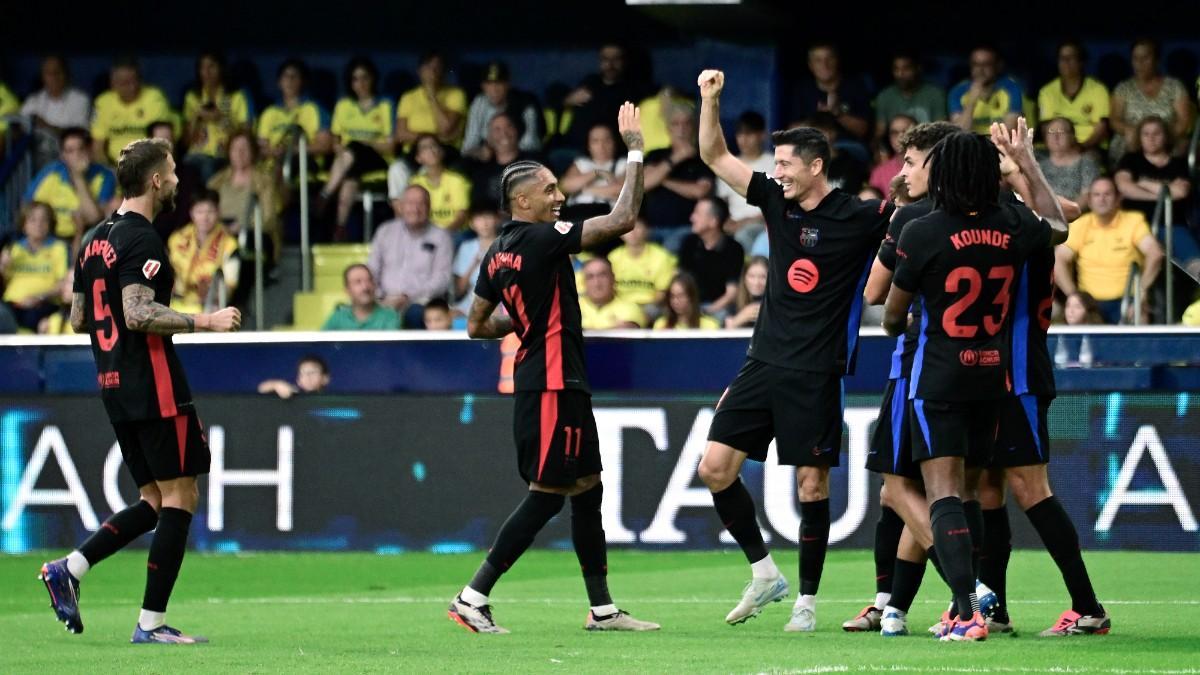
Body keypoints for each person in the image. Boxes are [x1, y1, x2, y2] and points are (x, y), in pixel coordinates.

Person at [695, 69, 893, 632]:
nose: (775, 171)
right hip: (762, 362)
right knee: (714, 469)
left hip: (816, 371)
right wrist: (710, 100)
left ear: (815, 166)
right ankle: (764, 573)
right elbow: (714, 154)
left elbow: (917, 225)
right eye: (775, 163)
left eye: (784, 163)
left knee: (812, 485)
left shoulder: (859, 216)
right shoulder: (774, 200)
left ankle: (807, 600)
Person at [449, 102, 658, 634]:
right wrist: (635, 152)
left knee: (587, 486)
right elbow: (623, 220)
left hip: (557, 379)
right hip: (550, 382)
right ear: (523, 201)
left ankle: (603, 610)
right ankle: (472, 596)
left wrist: (524, 319)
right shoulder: (542, 238)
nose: (559, 196)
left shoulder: (497, 252)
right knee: (547, 493)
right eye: (549, 190)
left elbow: (476, 325)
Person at [39, 136, 241, 643]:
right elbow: (136, 312)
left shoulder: (92, 239)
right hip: (154, 384)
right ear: (155, 181)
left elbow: (79, 317)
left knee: (153, 498)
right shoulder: (143, 238)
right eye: (171, 172)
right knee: (181, 495)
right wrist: (206, 320)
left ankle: (71, 568)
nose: (176, 180)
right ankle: (151, 623)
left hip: (113, 383)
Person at [881, 119, 1069, 641]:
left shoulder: (921, 230)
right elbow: (1058, 226)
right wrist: (1026, 163)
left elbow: (891, 317)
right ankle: (976, 606)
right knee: (975, 491)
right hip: (992, 377)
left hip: (939, 376)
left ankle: (965, 613)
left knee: (943, 493)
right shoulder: (1014, 225)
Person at [974, 120, 1112, 638]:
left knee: (1031, 488)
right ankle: (994, 609)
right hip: (986, 372)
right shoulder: (1001, 215)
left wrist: (1022, 164)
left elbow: (1065, 214)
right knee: (988, 488)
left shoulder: (1020, 218)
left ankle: (1088, 607)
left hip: (1019, 370)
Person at [850, 120, 959, 636]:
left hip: (916, 364)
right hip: (979, 366)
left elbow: (875, 293)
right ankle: (891, 606)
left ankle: (969, 592)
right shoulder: (990, 212)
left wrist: (897, 215)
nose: (902, 170)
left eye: (911, 162)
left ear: (936, 164)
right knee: (932, 491)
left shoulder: (914, 217)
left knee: (897, 490)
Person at [1055, 177, 1163, 324]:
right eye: (1097, 195)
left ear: (1118, 198)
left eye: (1107, 194)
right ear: (1089, 201)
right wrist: (1073, 296)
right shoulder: (1081, 224)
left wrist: (1141, 292)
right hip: (1091, 304)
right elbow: (1059, 258)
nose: (1102, 199)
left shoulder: (1133, 221)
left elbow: (1154, 253)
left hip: (1128, 299)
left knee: (1140, 314)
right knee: (1075, 313)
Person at [320, 57, 394, 239]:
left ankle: (325, 194)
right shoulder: (343, 104)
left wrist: (365, 144)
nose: (360, 83)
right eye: (355, 79)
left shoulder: (385, 104)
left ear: (373, 79)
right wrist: (343, 151)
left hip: (378, 157)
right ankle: (340, 227)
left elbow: (390, 146)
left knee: (355, 146)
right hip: (349, 160)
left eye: (365, 78)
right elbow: (335, 141)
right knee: (350, 177)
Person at [366, 185, 454, 328]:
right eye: (410, 203)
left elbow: (441, 279)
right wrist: (380, 297)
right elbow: (372, 270)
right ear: (401, 206)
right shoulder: (385, 231)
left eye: (421, 203)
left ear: (429, 207)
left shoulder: (441, 236)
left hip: (421, 302)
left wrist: (407, 297)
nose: (415, 209)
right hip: (384, 300)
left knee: (415, 313)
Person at [24, 127, 118, 250]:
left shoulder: (104, 176)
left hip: (86, 237)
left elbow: (94, 218)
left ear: (89, 150)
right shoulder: (50, 172)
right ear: (63, 155)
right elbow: (28, 207)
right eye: (70, 151)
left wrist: (78, 177)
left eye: (81, 149)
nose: (76, 155)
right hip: (49, 236)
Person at [642, 103, 714, 251]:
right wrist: (676, 158)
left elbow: (700, 191)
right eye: (676, 124)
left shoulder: (702, 158)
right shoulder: (655, 155)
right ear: (668, 128)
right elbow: (643, 184)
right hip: (651, 228)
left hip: (687, 228)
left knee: (671, 247)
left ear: (693, 127)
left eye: (686, 123)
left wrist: (661, 179)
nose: (681, 129)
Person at [1109, 38, 1193, 162]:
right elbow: (1114, 120)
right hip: (1132, 140)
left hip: (1167, 139)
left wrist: (1161, 138)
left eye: (1145, 58)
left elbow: (1184, 121)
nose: (1140, 63)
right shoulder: (1123, 88)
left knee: (1182, 145)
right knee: (1127, 143)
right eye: (1135, 58)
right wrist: (1132, 132)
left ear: (1157, 60)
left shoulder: (1175, 86)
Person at [1114, 116, 1194, 241]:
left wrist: (1144, 183)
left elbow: (1181, 192)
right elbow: (1124, 187)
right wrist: (1164, 196)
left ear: (1166, 137)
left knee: (1194, 255)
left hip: (1172, 224)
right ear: (1140, 138)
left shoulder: (1179, 163)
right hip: (1134, 224)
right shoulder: (1130, 159)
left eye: (1157, 133)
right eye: (1146, 134)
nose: (1151, 138)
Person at [207, 130, 282, 261]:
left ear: (253, 152)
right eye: (235, 149)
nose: (239, 153)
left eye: (244, 148)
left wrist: (242, 226)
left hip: (253, 236)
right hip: (220, 235)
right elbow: (206, 210)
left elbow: (269, 218)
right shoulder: (216, 182)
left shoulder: (265, 181)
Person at [182, 52, 254, 181]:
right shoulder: (193, 96)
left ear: (221, 68)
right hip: (196, 154)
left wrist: (220, 119)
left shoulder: (235, 96)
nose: (206, 72)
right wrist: (196, 118)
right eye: (202, 67)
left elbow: (246, 135)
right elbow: (186, 141)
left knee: (209, 167)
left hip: (223, 154)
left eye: (211, 66)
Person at [91, 58, 175, 166]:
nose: (130, 87)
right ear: (113, 83)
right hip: (114, 167)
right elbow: (97, 148)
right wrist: (108, 171)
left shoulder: (155, 98)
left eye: (133, 80)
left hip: (148, 167)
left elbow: (164, 145)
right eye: (123, 82)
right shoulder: (103, 102)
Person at [166, 190, 239, 315]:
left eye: (210, 211)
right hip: (175, 304)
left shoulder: (229, 244)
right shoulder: (177, 239)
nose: (205, 217)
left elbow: (230, 286)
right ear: (191, 213)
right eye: (199, 212)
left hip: (210, 307)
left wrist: (212, 293)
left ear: (218, 212)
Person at [1, 202, 69, 333]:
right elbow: (4, 283)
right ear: (24, 225)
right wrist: (2, 267)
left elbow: (63, 283)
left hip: (43, 306)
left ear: (50, 224)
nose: (39, 224)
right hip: (11, 306)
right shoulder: (13, 248)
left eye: (44, 220)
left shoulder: (58, 248)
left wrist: (38, 297)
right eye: (32, 219)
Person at [715, 111, 774, 252]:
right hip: (733, 225)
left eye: (749, 134)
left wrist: (745, 222)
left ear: (762, 135)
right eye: (740, 134)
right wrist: (724, 221)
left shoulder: (774, 164)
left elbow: (776, 206)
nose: (743, 139)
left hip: (762, 224)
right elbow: (722, 204)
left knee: (744, 235)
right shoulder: (728, 166)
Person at [256, 59, 333, 165]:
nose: (290, 80)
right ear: (279, 82)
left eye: (294, 76)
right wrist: (276, 152)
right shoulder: (269, 113)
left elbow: (325, 145)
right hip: (272, 170)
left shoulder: (315, 109)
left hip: (306, 169)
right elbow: (261, 148)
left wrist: (294, 150)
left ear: (303, 81)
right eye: (286, 76)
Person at [1036, 41, 1110, 153]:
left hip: (1089, 148)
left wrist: (1080, 149)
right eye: (1062, 58)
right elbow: (1046, 128)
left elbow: (1101, 129)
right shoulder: (1047, 92)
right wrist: (1060, 149)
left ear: (1081, 62)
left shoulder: (1098, 90)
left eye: (1071, 58)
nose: (1066, 62)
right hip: (1057, 149)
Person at [678, 196, 743, 320]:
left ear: (713, 221)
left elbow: (731, 293)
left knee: (723, 316)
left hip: (718, 308)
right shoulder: (689, 243)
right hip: (689, 306)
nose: (692, 218)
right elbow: (681, 281)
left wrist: (707, 311)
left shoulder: (734, 249)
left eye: (697, 213)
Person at [790, 42, 871, 141]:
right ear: (810, 65)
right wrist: (819, 119)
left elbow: (863, 131)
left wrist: (837, 113)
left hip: (847, 145)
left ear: (837, 61)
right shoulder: (802, 89)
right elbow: (792, 131)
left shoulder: (855, 86)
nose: (825, 65)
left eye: (829, 58)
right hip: (812, 144)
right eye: (818, 60)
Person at [21, 55, 92, 165]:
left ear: (66, 74)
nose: (53, 77)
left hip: (70, 161)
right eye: (48, 73)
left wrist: (47, 126)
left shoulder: (80, 100)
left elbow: (80, 135)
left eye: (57, 72)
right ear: (43, 76)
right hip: (36, 161)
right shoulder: (33, 101)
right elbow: (20, 128)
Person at [462, 61, 542, 158]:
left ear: (508, 84)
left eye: (499, 83)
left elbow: (530, 146)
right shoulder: (479, 103)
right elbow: (467, 147)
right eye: (489, 84)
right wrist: (481, 153)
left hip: (521, 159)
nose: (494, 89)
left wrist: (496, 148)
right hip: (490, 159)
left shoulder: (525, 105)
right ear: (483, 86)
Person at [394, 51, 466, 151]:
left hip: (444, 151)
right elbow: (400, 135)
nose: (432, 72)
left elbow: (445, 129)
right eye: (428, 67)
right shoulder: (408, 97)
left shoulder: (456, 94)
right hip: (414, 152)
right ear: (419, 71)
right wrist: (436, 138)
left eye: (437, 67)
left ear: (443, 71)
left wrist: (432, 97)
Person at [607, 216, 675, 321]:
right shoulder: (613, 257)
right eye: (628, 228)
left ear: (647, 230)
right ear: (621, 233)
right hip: (621, 305)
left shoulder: (661, 256)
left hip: (651, 306)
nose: (632, 232)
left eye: (637, 227)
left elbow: (662, 292)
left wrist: (638, 313)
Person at [948, 45, 1024, 135]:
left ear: (998, 66)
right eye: (976, 64)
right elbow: (959, 133)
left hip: (998, 143)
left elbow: (1009, 131)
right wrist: (971, 102)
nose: (980, 70)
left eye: (986, 64)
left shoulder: (1011, 89)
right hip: (971, 143)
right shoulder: (958, 92)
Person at [560, 123, 627, 222]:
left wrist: (584, 190)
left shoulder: (623, 163)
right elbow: (565, 186)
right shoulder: (581, 163)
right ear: (589, 145)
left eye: (607, 140)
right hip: (577, 212)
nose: (601, 146)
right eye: (595, 141)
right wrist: (597, 173)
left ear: (614, 142)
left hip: (606, 215)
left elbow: (622, 190)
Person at [408, 135, 471, 232]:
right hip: (426, 233)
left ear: (441, 152)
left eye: (434, 145)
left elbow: (462, 216)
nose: (431, 150)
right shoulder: (415, 182)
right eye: (424, 148)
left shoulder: (457, 180)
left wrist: (442, 235)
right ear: (418, 158)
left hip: (455, 232)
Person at [873, 52, 946, 134]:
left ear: (918, 69)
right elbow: (880, 132)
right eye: (896, 69)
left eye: (906, 69)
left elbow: (941, 130)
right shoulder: (884, 96)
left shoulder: (935, 94)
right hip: (895, 142)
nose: (900, 74)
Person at [1038, 117, 1101, 208]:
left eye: (1061, 132)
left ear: (1072, 137)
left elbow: (1087, 195)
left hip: (1075, 214)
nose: (1056, 136)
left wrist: (1066, 213)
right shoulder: (1039, 165)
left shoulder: (1086, 163)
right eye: (1051, 132)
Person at [321, 263, 401, 330]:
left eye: (369, 280)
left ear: (374, 285)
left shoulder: (390, 317)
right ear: (347, 290)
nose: (365, 287)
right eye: (358, 282)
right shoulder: (338, 318)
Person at [452, 208, 501, 317]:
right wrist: (474, 264)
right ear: (471, 223)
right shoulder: (466, 247)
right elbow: (460, 289)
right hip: (471, 301)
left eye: (488, 217)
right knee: (451, 316)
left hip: (500, 302)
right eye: (479, 218)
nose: (484, 223)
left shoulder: (508, 245)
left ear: (497, 219)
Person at [578, 257, 645, 329]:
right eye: (590, 277)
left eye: (602, 275)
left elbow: (625, 332)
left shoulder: (630, 307)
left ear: (613, 278)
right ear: (583, 282)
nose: (597, 283)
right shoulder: (572, 308)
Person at [869, 115, 916, 197]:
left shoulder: (927, 167)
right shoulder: (879, 173)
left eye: (906, 131)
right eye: (894, 133)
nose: (900, 136)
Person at [654, 272, 719, 329]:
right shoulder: (661, 325)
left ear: (691, 296)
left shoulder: (710, 326)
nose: (675, 301)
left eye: (680, 296)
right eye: (672, 296)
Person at [258, 354, 330, 398]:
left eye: (312, 372)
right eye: (303, 373)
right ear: (298, 381)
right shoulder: (294, 393)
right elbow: (261, 388)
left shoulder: (329, 399)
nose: (307, 377)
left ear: (325, 379)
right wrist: (276, 385)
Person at [725, 256, 768, 329]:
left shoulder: (778, 303)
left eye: (763, 277)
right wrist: (740, 318)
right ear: (744, 277)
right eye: (751, 276)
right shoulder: (733, 303)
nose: (756, 282)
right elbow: (723, 332)